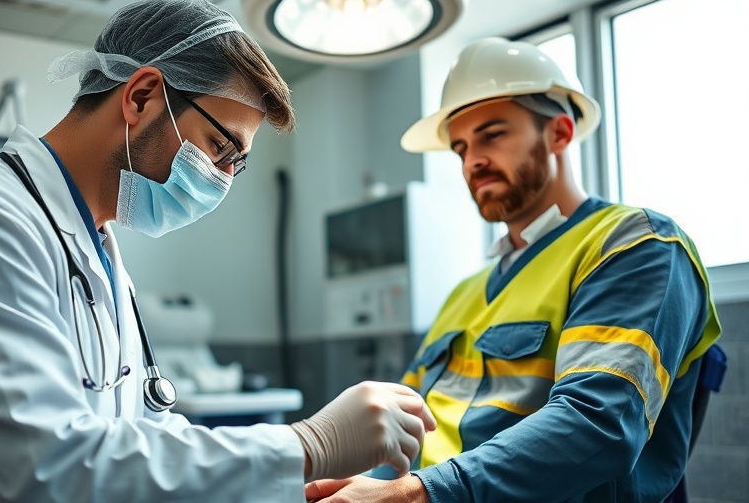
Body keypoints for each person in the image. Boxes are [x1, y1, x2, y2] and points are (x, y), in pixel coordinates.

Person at [0, 0, 437, 502]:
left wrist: (274, 482)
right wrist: (306, 445)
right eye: (219, 147)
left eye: (238, 165)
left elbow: (136, 437)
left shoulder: (99, 254)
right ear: (142, 97)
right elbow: (47, 475)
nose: (223, 180)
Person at [304, 37, 722, 503]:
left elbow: (599, 423)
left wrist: (418, 494)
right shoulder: (465, 292)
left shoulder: (636, 243)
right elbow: (397, 429)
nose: (471, 160)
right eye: (460, 147)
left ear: (560, 134)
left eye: (493, 134)